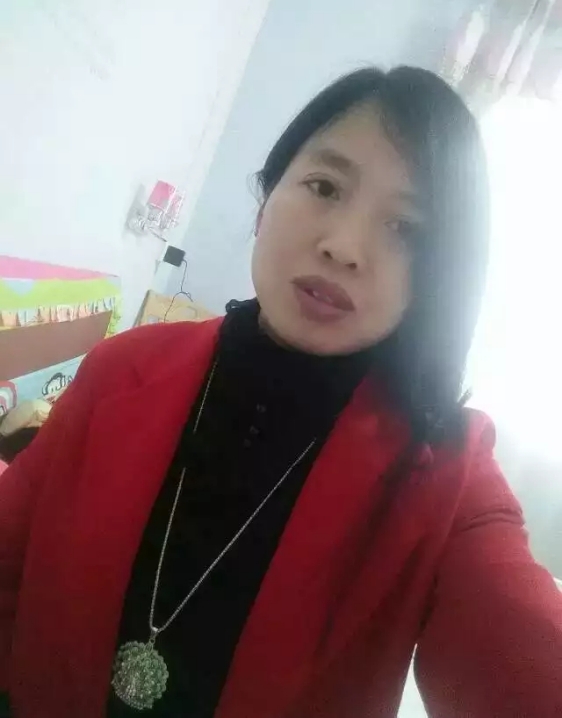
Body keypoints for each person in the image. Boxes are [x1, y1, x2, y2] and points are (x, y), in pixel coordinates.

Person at [0, 67, 560, 718]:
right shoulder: (120, 366)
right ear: (267, 197)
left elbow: (523, 648)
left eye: (407, 228)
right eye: (324, 187)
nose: (343, 247)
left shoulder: (448, 470)